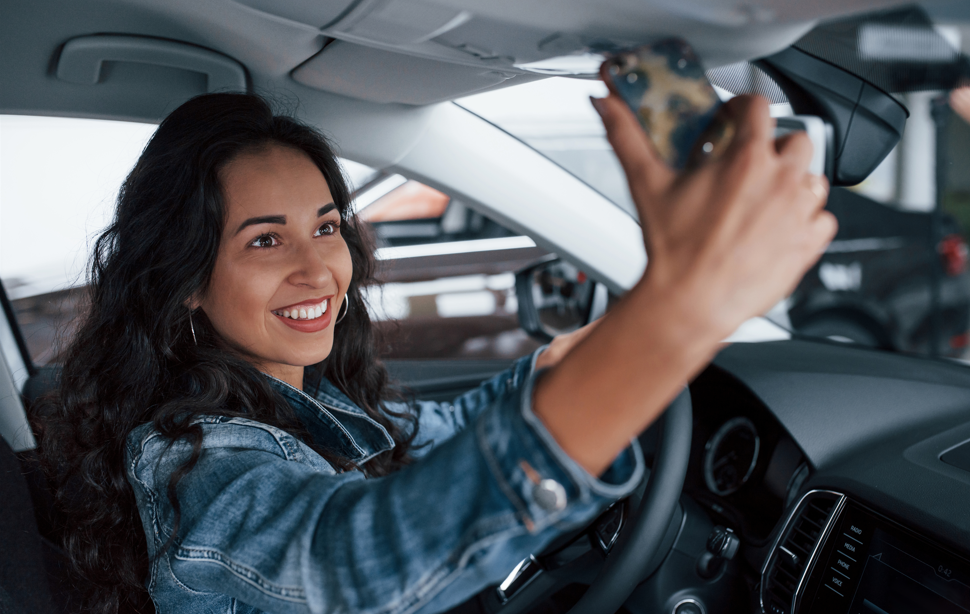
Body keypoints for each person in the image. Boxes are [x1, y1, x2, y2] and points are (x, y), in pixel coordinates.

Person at [37, 72, 834, 614]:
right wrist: (675, 316)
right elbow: (356, 558)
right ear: (185, 280)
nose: (321, 269)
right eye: (265, 242)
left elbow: (433, 439)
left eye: (326, 226)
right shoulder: (198, 463)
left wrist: (598, 351)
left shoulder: (306, 406)